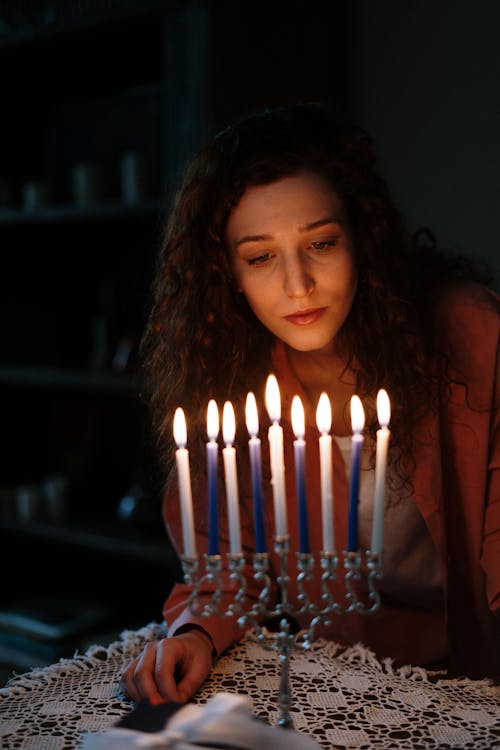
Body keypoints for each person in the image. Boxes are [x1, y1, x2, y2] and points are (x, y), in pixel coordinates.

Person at [120, 102, 500, 706]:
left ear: (362, 240)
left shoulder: (469, 338)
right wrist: (195, 630)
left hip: (474, 681)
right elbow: (229, 566)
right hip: (339, 683)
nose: (298, 286)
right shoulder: (229, 390)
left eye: (321, 242)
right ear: (229, 275)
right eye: (261, 256)